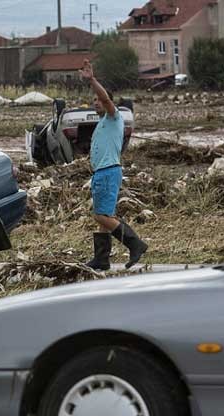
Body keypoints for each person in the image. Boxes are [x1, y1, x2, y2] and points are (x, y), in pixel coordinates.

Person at [79, 60, 147, 271]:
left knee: (101, 216)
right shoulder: (102, 122)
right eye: (94, 100)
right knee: (103, 218)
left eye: (99, 99)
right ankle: (101, 259)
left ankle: (135, 243)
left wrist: (91, 80)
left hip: (108, 172)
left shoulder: (113, 116)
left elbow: (107, 99)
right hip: (101, 173)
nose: (96, 102)